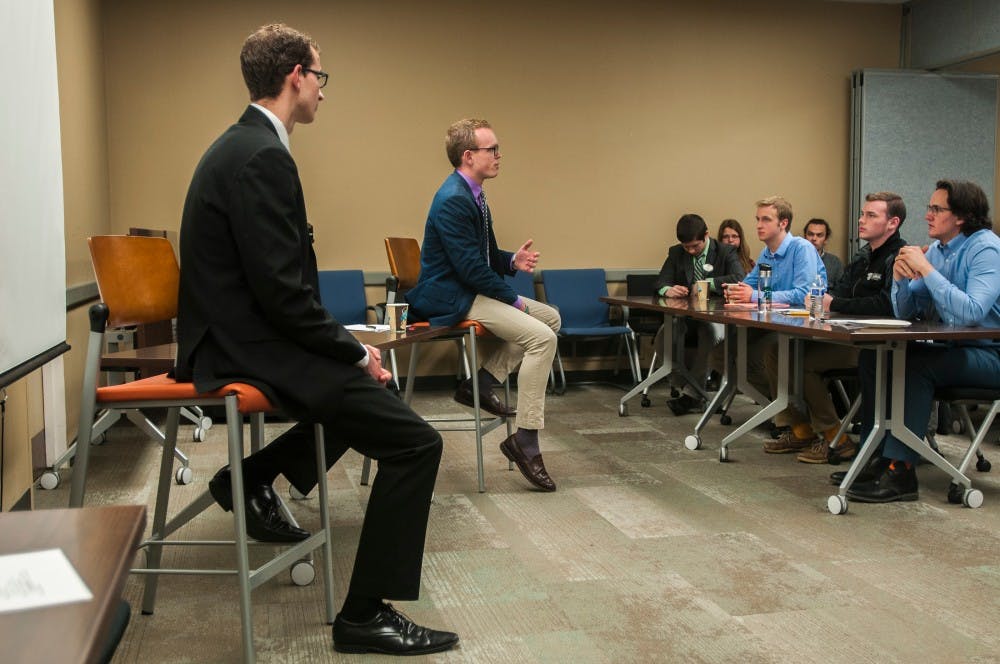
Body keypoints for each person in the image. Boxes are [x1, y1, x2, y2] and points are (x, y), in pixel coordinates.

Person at [174, 24, 458, 655]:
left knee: (367, 398)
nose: (323, 92)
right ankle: (364, 615)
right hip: (244, 346)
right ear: (296, 74)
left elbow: (275, 288)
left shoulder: (244, 146)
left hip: (244, 334)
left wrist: (347, 350)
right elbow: (282, 294)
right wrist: (354, 350)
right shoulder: (262, 156)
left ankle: (250, 478)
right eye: (320, 77)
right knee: (415, 442)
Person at [406, 119, 562, 492]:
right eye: (492, 149)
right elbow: (471, 270)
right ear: (468, 155)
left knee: (551, 318)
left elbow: (486, 256)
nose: (498, 155)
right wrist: (515, 301)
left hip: (469, 288)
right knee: (541, 339)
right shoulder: (453, 200)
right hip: (453, 296)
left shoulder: (474, 192)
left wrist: (511, 262)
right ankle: (526, 440)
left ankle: (482, 382)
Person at [848, 179, 1000, 503]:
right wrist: (901, 281)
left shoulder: (985, 247)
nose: (927, 215)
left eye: (936, 209)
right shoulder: (941, 251)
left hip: (990, 355)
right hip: (955, 350)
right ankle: (876, 455)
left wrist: (926, 269)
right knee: (879, 357)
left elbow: (971, 314)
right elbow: (906, 311)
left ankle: (901, 469)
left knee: (915, 365)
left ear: (960, 216)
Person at [762, 192, 907, 462]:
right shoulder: (863, 256)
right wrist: (825, 301)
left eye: (870, 215)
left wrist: (835, 301)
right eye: (862, 214)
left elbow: (888, 304)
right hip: (842, 336)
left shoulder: (898, 256)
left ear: (892, 223)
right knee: (775, 352)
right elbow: (837, 291)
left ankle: (835, 438)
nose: (861, 220)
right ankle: (801, 429)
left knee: (802, 361)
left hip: (874, 344)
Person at [713, 196, 825, 407]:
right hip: (770, 322)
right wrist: (735, 291)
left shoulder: (802, 248)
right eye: (757, 219)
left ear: (783, 223)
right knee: (721, 355)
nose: (758, 225)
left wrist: (753, 296)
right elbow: (748, 284)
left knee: (757, 354)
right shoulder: (767, 253)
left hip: (799, 326)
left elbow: (805, 294)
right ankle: (780, 405)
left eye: (765, 219)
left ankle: (791, 409)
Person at [654, 214, 745, 415]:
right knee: (664, 336)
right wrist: (668, 290)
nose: (691, 251)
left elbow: (739, 277)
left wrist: (708, 283)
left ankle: (692, 397)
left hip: (715, 317)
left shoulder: (724, 251)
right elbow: (661, 282)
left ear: (706, 235)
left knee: (708, 335)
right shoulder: (677, 253)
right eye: (687, 247)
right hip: (685, 316)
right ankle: (689, 388)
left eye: (695, 246)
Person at [804, 218, 844, 286]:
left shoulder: (835, 263)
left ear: (826, 239)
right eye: (810, 234)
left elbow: (841, 291)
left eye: (819, 235)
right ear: (805, 237)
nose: (814, 238)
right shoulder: (794, 260)